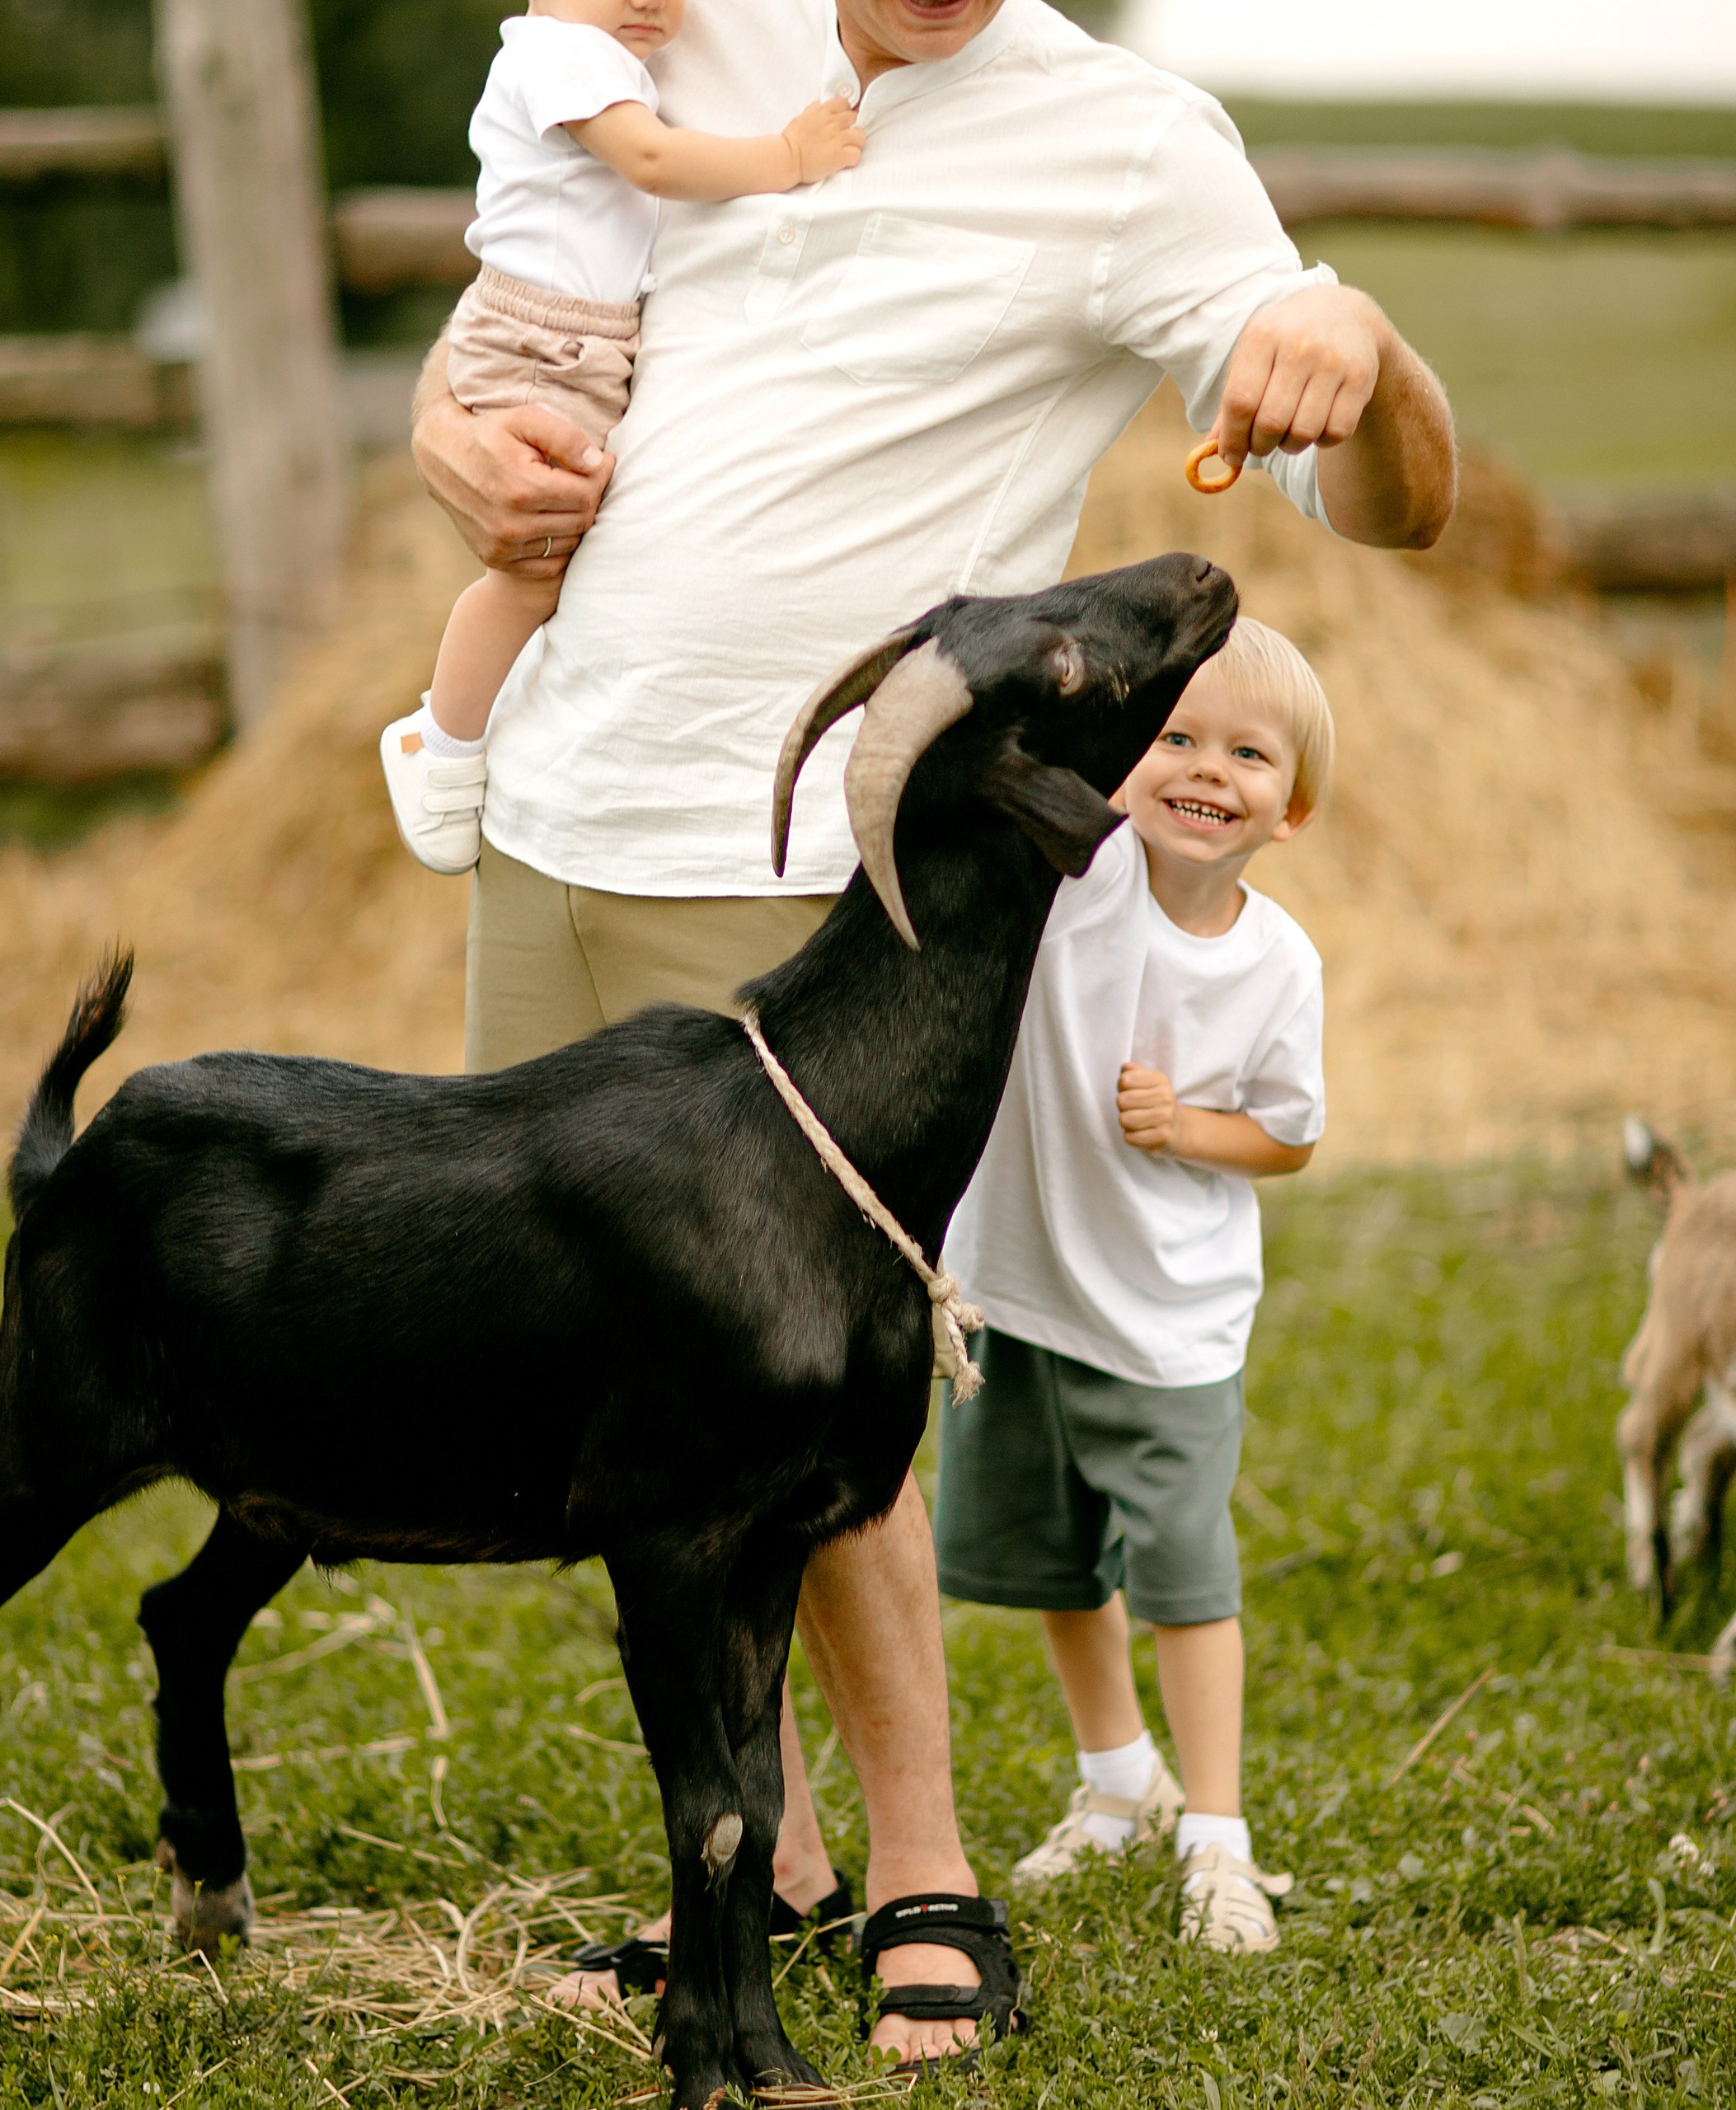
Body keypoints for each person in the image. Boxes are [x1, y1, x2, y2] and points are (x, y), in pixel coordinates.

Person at [411, 0, 1455, 2066]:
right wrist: (450, 433)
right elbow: (524, 313)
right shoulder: (661, 40)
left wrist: (1371, 345)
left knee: (832, 1404)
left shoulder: (1127, 140)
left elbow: (1396, 504)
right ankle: (761, 1860)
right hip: (553, 808)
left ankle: (921, 1874)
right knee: (643, 1396)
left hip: (818, 869)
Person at [934, 618, 1331, 1955]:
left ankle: (1218, 1837)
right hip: (1019, 1284)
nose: (1206, 769)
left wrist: (1188, 1129)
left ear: (1294, 806)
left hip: (1168, 1319)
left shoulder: (1278, 963)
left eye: (1248, 753)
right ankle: (1118, 1779)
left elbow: (1292, 1134)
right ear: (1122, 763)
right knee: (1055, 1556)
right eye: (1173, 738)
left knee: (1181, 1572)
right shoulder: (1080, 880)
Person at [378, 0, 863, 875]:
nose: (650, 0)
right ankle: (440, 744)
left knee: (563, 566)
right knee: (531, 572)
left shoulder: (599, 57)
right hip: (544, 344)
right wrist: (789, 156)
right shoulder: (568, 56)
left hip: (577, 340)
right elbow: (651, 160)